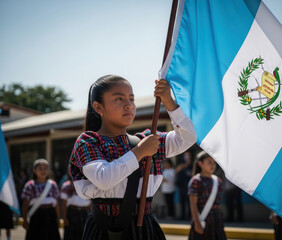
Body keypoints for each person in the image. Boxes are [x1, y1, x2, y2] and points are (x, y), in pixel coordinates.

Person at [69, 75, 196, 240]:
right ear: (98, 107)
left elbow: (187, 138)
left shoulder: (147, 139)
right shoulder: (88, 141)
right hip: (105, 231)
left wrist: (169, 102)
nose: (129, 105)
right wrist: (140, 152)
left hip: (146, 229)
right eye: (118, 99)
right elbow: (104, 178)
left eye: (131, 99)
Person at [188, 151, 226, 240]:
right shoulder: (196, 181)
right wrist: (197, 223)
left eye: (214, 162)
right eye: (209, 162)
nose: (213, 165)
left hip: (216, 219)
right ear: (200, 164)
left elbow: (218, 203)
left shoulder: (218, 181)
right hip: (201, 218)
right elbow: (193, 204)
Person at [21, 159, 61, 240]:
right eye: (40, 168)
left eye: (45, 168)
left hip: (51, 215)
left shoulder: (53, 184)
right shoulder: (30, 185)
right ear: (34, 171)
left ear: (48, 170)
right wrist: (25, 220)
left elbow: (56, 203)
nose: (43, 171)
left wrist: (58, 218)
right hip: (36, 216)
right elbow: (25, 204)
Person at [61, 176, 91, 240]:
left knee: (85, 235)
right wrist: (64, 218)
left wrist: (92, 216)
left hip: (85, 213)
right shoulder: (66, 185)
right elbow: (64, 204)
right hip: (71, 213)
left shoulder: (90, 184)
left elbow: (91, 203)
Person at [175, 150, 193, 220]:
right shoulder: (181, 164)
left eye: (188, 155)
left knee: (189, 202)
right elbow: (176, 171)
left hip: (190, 186)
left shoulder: (193, 164)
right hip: (181, 185)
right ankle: (182, 216)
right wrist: (184, 165)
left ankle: (189, 216)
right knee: (182, 202)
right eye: (185, 155)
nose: (187, 157)